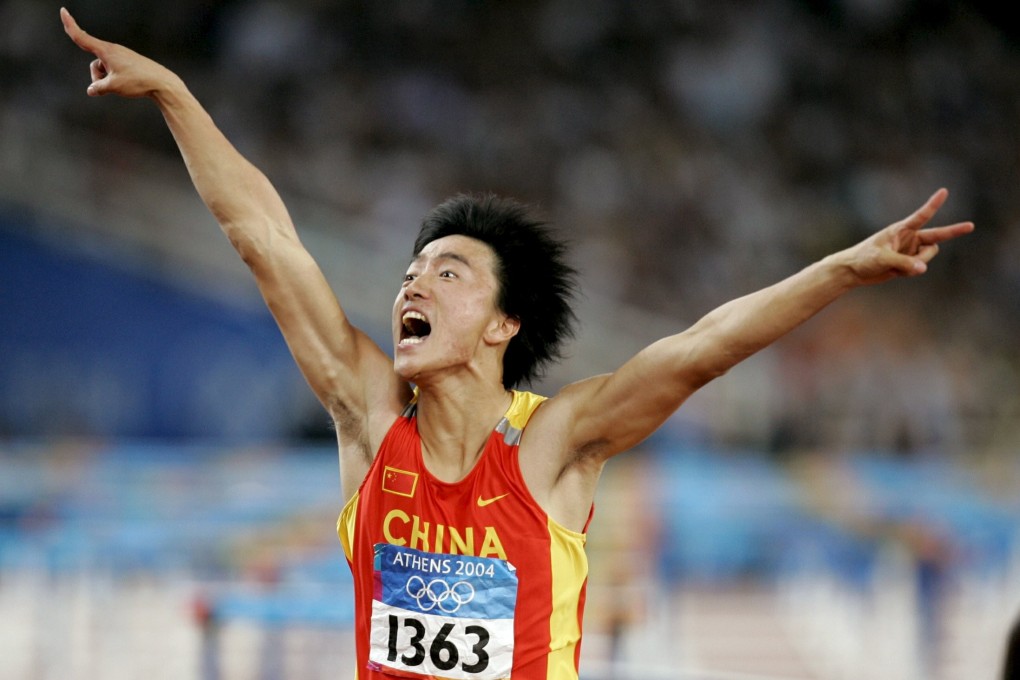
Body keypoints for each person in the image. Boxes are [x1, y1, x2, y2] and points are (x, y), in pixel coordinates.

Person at [60, 7, 974, 680]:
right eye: (412, 270)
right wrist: (175, 95)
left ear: (504, 325)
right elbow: (263, 238)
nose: (413, 282)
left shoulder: (555, 444)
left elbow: (702, 349)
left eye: (449, 271)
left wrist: (843, 272)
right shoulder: (373, 422)